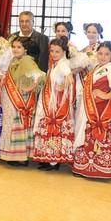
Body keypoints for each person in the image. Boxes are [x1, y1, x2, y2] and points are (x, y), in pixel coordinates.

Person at [72, 42, 111, 179]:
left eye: (107, 54)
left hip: (105, 109)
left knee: (104, 135)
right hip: (93, 108)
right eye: (100, 53)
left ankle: (103, 168)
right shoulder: (97, 68)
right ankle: (87, 166)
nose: (103, 56)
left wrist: (106, 95)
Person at [0, 37, 44, 166]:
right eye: (14, 47)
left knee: (17, 124)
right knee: (13, 124)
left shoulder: (26, 60)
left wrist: (31, 87)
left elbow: (40, 75)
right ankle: (16, 155)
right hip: (11, 97)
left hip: (20, 98)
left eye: (19, 47)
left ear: (25, 49)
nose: (15, 49)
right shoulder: (14, 59)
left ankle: (20, 157)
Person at [32, 37, 75, 171]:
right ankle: (49, 157)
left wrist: (63, 87)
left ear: (63, 52)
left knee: (55, 129)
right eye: (52, 51)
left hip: (56, 102)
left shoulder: (63, 64)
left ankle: (54, 161)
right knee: (50, 128)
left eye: (57, 51)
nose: (54, 54)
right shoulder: (55, 64)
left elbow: (70, 79)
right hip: (50, 99)